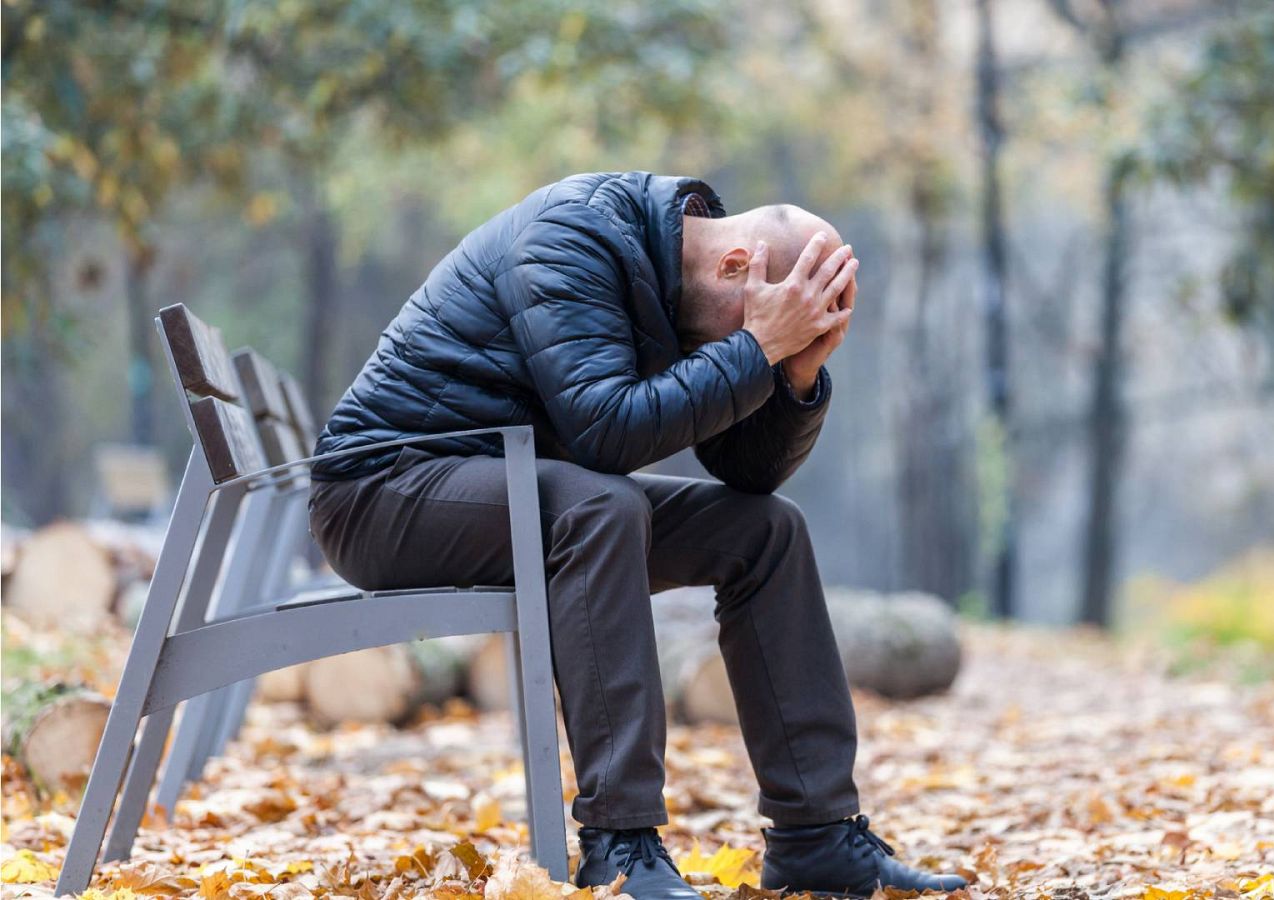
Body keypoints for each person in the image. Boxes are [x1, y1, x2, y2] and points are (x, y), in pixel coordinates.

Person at [305, 172, 968, 899]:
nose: (768, 341)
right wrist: (756, 349)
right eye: (776, 321)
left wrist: (795, 372)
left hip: (515, 491)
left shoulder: (687, 289)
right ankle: (621, 841)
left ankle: (817, 835)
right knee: (599, 505)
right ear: (735, 267)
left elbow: (747, 476)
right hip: (381, 492)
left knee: (765, 531)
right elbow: (605, 431)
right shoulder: (571, 239)